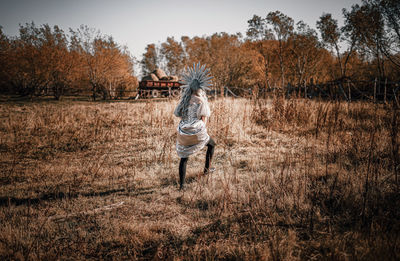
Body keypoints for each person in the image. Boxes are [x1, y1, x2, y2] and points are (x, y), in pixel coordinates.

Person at [174, 62, 216, 190]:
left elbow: (179, 114)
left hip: (183, 130)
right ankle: (206, 170)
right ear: (200, 88)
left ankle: (181, 186)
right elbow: (204, 119)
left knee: (184, 157)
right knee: (212, 144)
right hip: (196, 130)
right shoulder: (201, 101)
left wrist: (186, 123)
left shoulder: (185, 99)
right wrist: (202, 133)